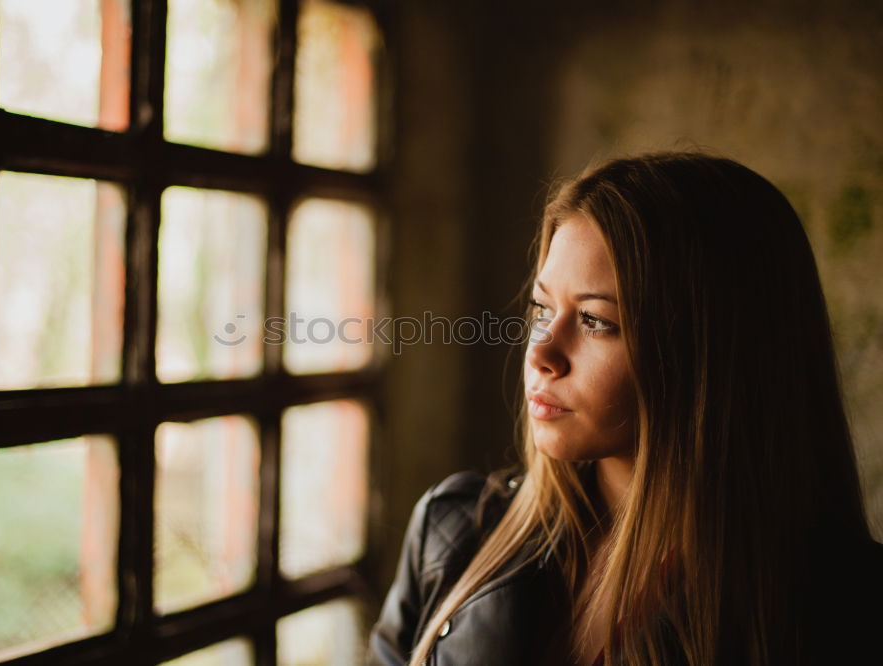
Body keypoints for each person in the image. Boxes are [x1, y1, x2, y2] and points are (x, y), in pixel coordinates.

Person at [366, 152, 883, 665]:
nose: (542, 353)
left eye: (595, 321)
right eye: (542, 308)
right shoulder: (453, 532)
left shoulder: (839, 611)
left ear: (711, 354)